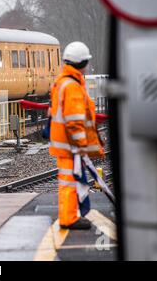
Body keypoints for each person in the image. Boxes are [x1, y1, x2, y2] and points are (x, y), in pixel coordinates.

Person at [49, 42, 105, 230]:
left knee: (68, 182)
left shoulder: (62, 82)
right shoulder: (71, 85)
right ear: (81, 62)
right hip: (70, 145)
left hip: (64, 144)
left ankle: (69, 216)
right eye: (87, 62)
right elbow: (74, 120)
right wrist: (81, 145)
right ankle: (69, 218)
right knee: (69, 182)